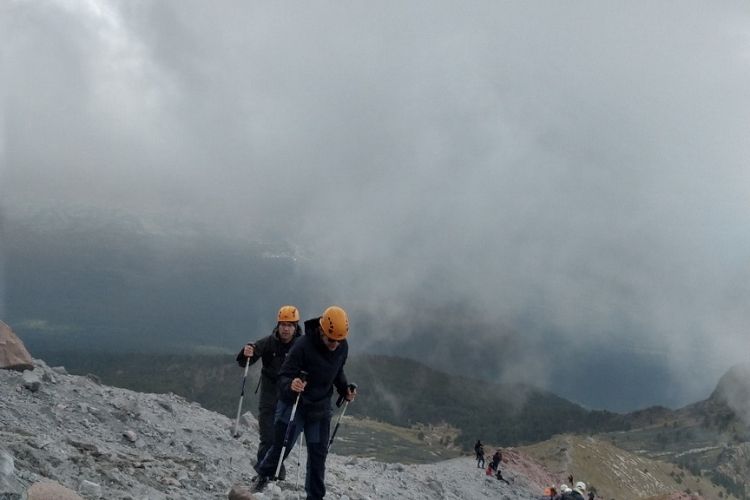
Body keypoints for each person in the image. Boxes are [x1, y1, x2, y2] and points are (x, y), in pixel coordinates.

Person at [251, 305, 356, 500]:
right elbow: (283, 375)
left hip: (320, 409)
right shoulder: (303, 346)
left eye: (339, 341)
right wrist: (292, 384)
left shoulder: (342, 346)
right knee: (282, 447)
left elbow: (337, 371)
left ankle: (315, 497)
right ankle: (262, 477)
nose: (335, 344)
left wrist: (344, 390)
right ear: (322, 331)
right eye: (331, 340)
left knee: (318, 456)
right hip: (295, 405)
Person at [236, 305, 302, 466]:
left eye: (290, 325)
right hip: (269, 393)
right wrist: (246, 352)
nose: (286, 329)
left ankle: (275, 470)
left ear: (296, 327)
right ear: (278, 325)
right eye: (283, 325)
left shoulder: (301, 346)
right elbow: (245, 361)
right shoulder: (268, 343)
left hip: (289, 395)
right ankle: (263, 471)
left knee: (283, 437)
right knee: (267, 435)